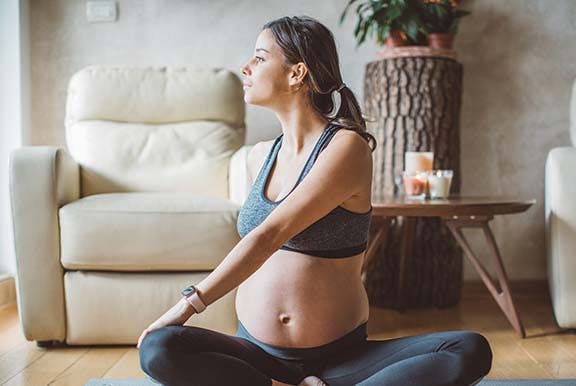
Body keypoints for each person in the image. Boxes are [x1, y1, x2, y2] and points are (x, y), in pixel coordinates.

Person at [137, 15, 493, 386]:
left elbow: (269, 235)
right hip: (256, 357)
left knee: (467, 349)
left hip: (341, 357)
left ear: (297, 74)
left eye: (259, 58)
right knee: (159, 349)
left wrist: (187, 306)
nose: (246, 67)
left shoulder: (346, 147)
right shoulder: (260, 156)